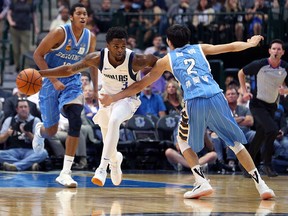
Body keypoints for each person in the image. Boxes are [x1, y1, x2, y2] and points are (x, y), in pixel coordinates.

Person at [99, 24, 275, 200]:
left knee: (182, 141)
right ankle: (262, 185)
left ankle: (201, 182)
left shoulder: (166, 60)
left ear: (169, 42)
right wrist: (250, 44)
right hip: (216, 96)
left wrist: (113, 98)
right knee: (235, 144)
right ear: (188, 38)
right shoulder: (200, 48)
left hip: (194, 100)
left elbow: (140, 85)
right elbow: (230, 47)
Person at [37, 26, 158, 187]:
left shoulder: (137, 60)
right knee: (109, 138)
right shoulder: (96, 58)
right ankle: (115, 161)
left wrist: (146, 81)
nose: (120, 50)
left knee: (115, 120)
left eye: (123, 46)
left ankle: (102, 168)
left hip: (128, 100)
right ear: (108, 46)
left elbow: (159, 63)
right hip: (106, 101)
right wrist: (40, 73)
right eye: (116, 47)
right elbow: (69, 70)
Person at [32, 3, 97, 188]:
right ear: (71, 17)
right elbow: (37, 55)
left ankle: (65, 172)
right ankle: (39, 131)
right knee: (51, 131)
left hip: (73, 82)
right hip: (50, 82)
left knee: (76, 119)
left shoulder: (90, 37)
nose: (83, 16)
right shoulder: (60, 33)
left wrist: (96, 87)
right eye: (79, 13)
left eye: (85, 13)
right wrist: (53, 80)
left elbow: (92, 64)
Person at [238, 39, 288, 177]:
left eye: (279, 49)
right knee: (272, 130)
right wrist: (244, 91)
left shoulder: (285, 67)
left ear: (283, 52)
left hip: (272, 105)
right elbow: (241, 73)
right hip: (257, 104)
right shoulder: (260, 64)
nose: (276, 51)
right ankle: (266, 165)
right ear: (269, 51)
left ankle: (244, 164)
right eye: (274, 49)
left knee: (260, 135)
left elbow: (285, 87)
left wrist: (286, 90)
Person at [0, 99, 48, 171]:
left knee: (43, 153)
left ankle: (15, 166)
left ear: (29, 108)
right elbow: (1, 140)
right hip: (13, 151)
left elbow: (39, 143)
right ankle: (27, 166)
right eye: (21, 107)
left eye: (25, 107)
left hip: (30, 151)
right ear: (17, 109)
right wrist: (7, 134)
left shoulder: (36, 120)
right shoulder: (9, 120)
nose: (23, 109)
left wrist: (27, 133)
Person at [6, 0, 39, 72]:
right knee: (16, 50)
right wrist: (11, 22)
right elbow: (9, 13)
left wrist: (36, 26)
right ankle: (17, 66)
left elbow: (34, 14)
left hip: (26, 28)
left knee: (25, 50)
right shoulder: (14, 2)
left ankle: (25, 68)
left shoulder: (30, 2)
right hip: (15, 28)